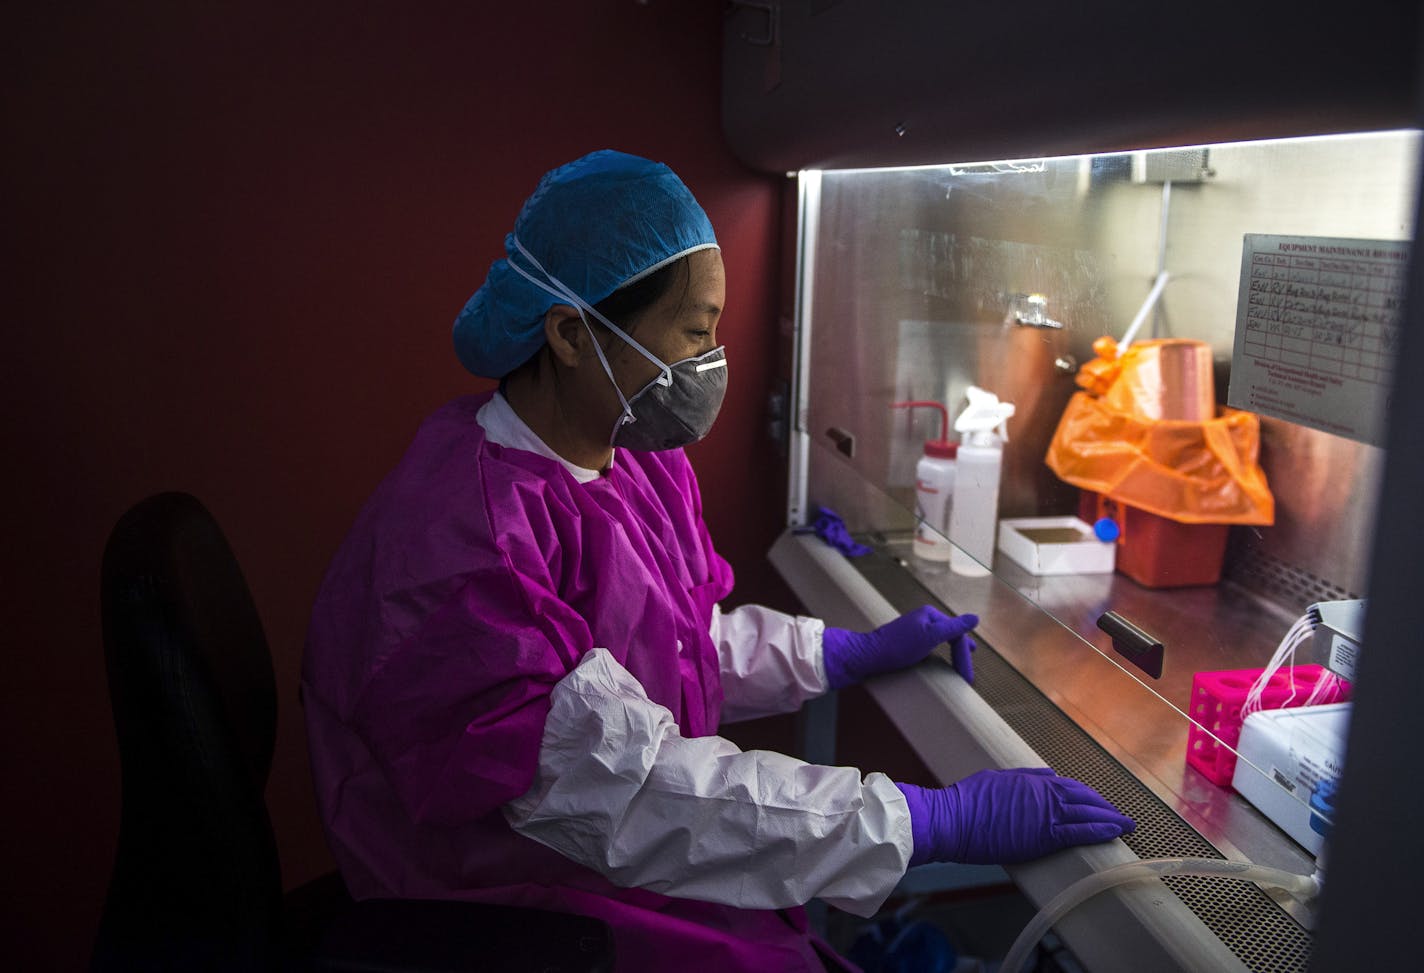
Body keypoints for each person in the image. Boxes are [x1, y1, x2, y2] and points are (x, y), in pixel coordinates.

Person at [301, 150, 1134, 972]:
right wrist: (918, 821)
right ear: (568, 332)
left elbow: (662, 644)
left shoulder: (622, 459)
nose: (710, 364)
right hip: (507, 898)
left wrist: (828, 652)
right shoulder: (461, 554)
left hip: (609, 840)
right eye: (694, 332)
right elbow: (626, 790)